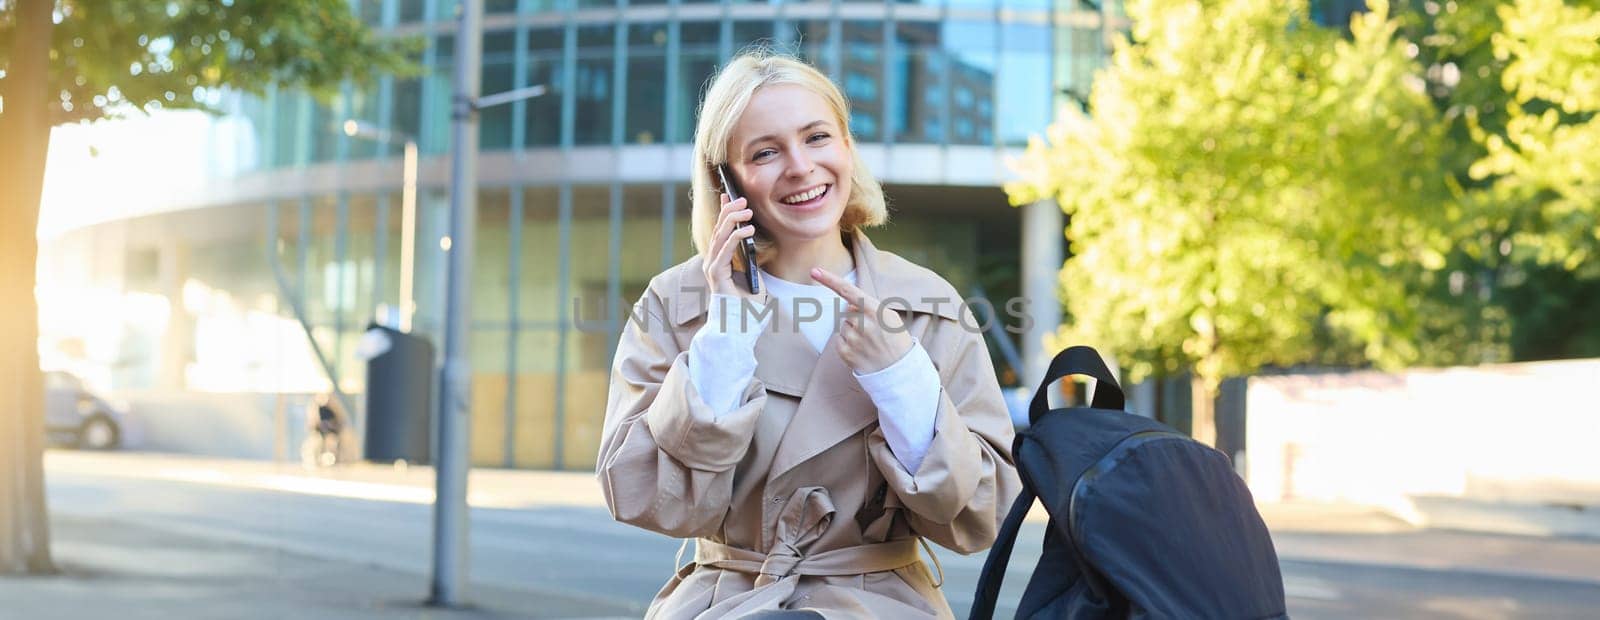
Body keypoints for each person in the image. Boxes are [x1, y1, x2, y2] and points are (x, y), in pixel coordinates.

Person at [596, 50, 1020, 619]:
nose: (800, 167)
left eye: (817, 137)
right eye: (765, 152)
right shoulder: (676, 303)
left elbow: (982, 514)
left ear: (847, 147)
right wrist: (728, 334)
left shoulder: (928, 303)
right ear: (727, 182)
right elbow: (641, 494)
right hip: (730, 600)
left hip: (881, 601)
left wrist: (899, 375)